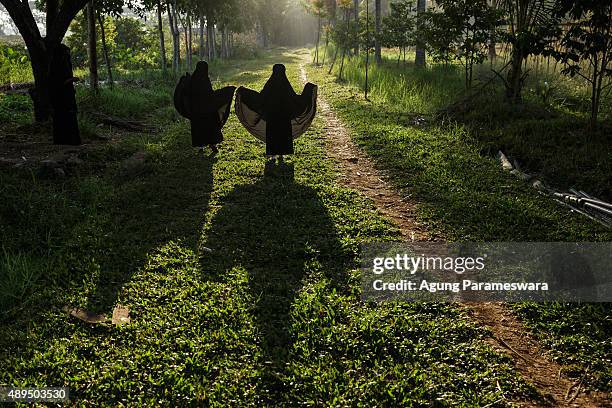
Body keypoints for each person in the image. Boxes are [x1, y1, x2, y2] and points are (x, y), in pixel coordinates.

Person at [235, 64, 317, 162]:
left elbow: (261, 98)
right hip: (284, 117)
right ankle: (282, 154)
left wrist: (244, 93)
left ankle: (273, 154)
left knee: (272, 135)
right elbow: (295, 100)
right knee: (284, 134)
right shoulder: (286, 85)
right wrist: (309, 89)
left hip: (272, 117)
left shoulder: (270, 84)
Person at [174, 61, 236, 154]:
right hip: (208, 111)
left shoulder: (193, 80)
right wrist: (226, 92)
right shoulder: (205, 80)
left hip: (196, 112)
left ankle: (201, 147)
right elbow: (210, 96)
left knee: (198, 129)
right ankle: (212, 144)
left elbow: (188, 95)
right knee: (211, 127)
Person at [49, 44, 81, 146]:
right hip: (60, 97)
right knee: (63, 117)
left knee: (67, 117)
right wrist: (70, 80)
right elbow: (56, 82)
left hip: (66, 95)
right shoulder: (56, 65)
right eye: (66, 53)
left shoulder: (61, 63)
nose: (67, 55)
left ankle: (68, 141)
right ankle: (65, 141)